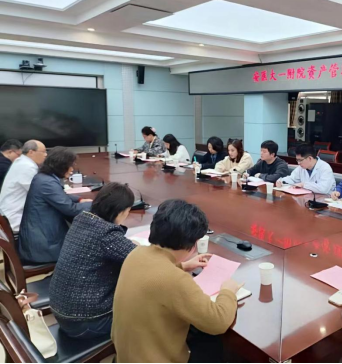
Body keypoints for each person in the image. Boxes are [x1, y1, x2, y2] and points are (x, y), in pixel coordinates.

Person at [112, 199, 242, 363]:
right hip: (154, 358)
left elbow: (156, 275)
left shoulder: (136, 254)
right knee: (211, 342)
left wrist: (182, 266)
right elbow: (218, 322)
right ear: (192, 244)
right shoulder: (174, 279)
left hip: (126, 355)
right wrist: (228, 292)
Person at [50, 183, 137, 339]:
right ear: (121, 211)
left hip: (62, 312)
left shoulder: (82, 219)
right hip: (87, 323)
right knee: (146, 307)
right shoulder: (107, 234)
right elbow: (142, 260)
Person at [18, 147, 93, 265]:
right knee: (89, 252)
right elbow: (71, 210)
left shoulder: (43, 177)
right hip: (43, 249)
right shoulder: (47, 182)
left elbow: (59, 195)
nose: (72, 169)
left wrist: (80, 199)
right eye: (70, 165)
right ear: (61, 166)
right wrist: (97, 204)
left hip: (39, 239)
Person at [0, 140, 47, 233]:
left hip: (10, 216)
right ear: (31, 152)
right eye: (43, 152)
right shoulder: (27, 167)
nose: (46, 155)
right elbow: (40, 193)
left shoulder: (22, 162)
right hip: (15, 220)